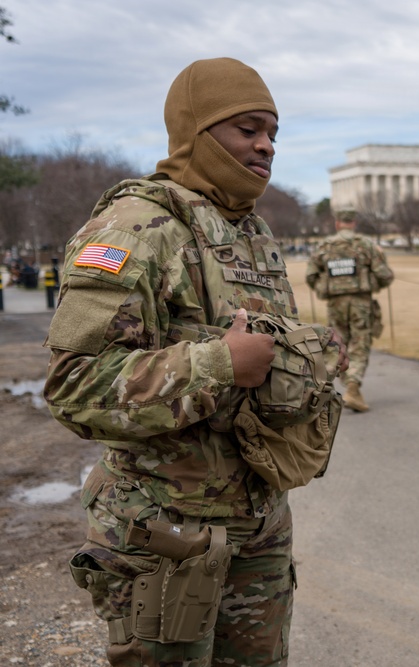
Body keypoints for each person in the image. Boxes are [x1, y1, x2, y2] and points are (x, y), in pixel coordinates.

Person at [44, 57, 345, 666]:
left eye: (273, 134)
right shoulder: (138, 225)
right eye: (248, 128)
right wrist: (219, 365)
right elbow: (74, 387)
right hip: (165, 533)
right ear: (195, 130)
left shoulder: (253, 232)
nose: (266, 146)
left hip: (258, 526)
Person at [306, 208, 394, 412]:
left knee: (339, 344)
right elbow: (385, 275)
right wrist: (374, 284)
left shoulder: (324, 247)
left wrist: (324, 288)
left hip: (335, 304)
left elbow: (311, 275)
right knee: (360, 344)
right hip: (361, 302)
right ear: (354, 223)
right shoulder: (366, 245)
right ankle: (353, 387)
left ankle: (348, 387)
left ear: (337, 223)